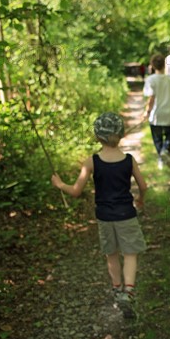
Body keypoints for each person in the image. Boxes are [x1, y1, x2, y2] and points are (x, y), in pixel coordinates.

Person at [51, 112, 148, 319]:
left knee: (111, 254)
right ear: (121, 135)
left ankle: (116, 289)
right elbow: (143, 186)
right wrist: (140, 199)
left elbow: (76, 191)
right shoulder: (129, 161)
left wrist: (60, 185)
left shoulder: (92, 162)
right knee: (130, 253)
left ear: (97, 136)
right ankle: (128, 292)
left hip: (104, 216)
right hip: (126, 215)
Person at [145, 53, 170, 169]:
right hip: (168, 112)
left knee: (157, 138)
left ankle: (161, 159)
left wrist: (147, 111)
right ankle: (165, 151)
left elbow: (151, 98)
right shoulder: (169, 79)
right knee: (169, 136)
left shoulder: (151, 79)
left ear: (152, 65)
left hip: (156, 114)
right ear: (164, 65)